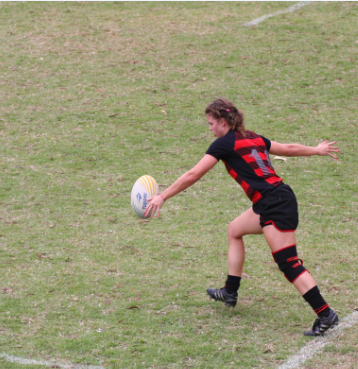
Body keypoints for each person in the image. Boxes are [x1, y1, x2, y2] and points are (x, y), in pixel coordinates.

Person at [145, 98, 340, 336]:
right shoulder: (253, 136)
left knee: (288, 264)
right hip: (273, 199)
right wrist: (317, 150)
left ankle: (325, 314)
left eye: (210, 124)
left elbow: (194, 173)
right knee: (234, 230)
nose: (209, 129)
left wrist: (162, 196)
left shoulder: (223, 144)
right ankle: (230, 291)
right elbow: (287, 149)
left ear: (223, 122)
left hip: (274, 204)